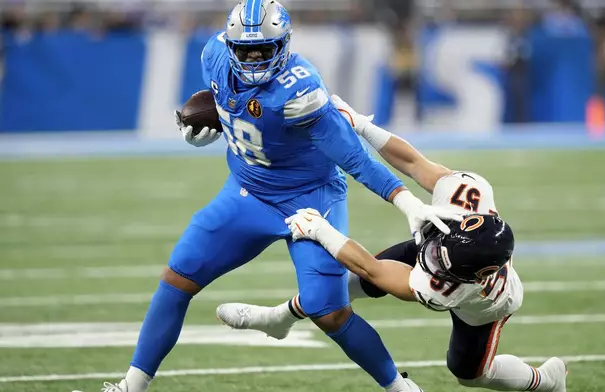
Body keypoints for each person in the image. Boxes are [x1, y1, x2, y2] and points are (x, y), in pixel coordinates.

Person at [77, 2, 460, 392]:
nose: (255, 58)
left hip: (310, 200)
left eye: (264, 49)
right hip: (247, 194)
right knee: (178, 278)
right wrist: (206, 131)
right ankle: (131, 386)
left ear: (285, 45)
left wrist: (405, 200)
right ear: (230, 46)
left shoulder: (300, 89)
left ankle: (400, 388)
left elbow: (352, 156)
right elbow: (231, 110)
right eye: (246, 51)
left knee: (327, 310)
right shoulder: (214, 57)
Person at [217, 97, 569, 392]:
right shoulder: (468, 197)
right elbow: (415, 163)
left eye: (440, 259)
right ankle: (279, 318)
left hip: (480, 308)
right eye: (437, 251)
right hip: (448, 245)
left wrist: (322, 231)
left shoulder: (447, 288)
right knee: (341, 289)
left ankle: (545, 382)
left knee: (470, 375)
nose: (429, 259)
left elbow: (374, 267)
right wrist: (361, 124)